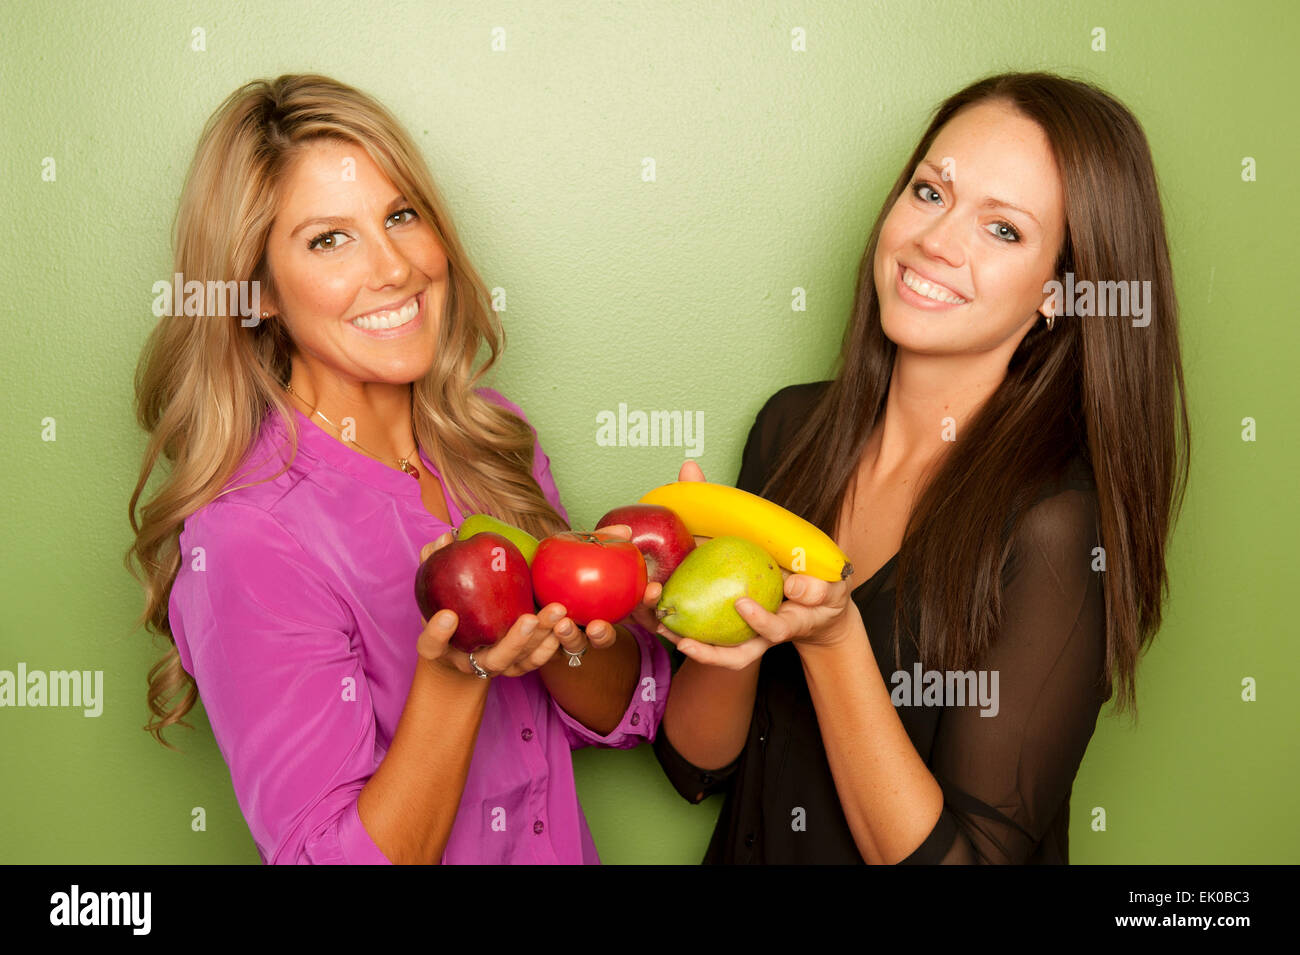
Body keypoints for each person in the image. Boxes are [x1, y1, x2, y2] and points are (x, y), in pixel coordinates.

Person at [647, 71, 1190, 864]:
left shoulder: (1056, 524)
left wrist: (835, 645)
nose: (936, 241)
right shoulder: (791, 428)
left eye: (1003, 230)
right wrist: (712, 618)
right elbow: (697, 764)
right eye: (931, 193)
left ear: (1060, 293)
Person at [126, 73, 670, 865]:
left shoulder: (489, 439)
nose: (393, 269)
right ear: (258, 291)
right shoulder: (249, 536)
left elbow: (624, 711)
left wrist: (581, 620)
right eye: (328, 239)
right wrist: (457, 677)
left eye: (401, 216)